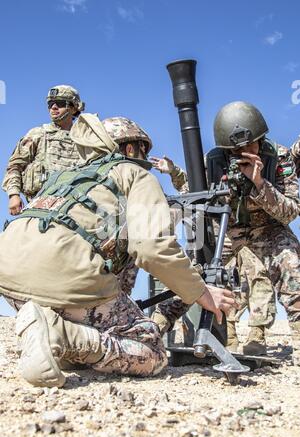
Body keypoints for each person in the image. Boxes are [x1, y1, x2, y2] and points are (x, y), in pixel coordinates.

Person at [0, 114, 236, 388]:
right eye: (142, 149)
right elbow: (151, 248)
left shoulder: (67, 177)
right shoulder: (134, 174)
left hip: (9, 278)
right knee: (152, 352)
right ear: (129, 149)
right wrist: (202, 293)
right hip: (63, 282)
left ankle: (54, 331)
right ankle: (60, 334)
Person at [151, 101, 300, 362]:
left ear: (261, 139)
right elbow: (195, 192)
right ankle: (151, 333)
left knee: (292, 265)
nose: (243, 152)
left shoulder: (279, 157)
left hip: (268, 227)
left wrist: (259, 182)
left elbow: (290, 210)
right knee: (191, 271)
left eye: (249, 145)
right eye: (236, 149)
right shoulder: (216, 160)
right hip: (226, 227)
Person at [2, 85, 86, 215]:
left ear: (74, 107)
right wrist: (13, 195)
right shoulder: (38, 134)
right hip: (39, 207)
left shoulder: (84, 139)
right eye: (50, 104)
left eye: (59, 103)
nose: (53, 107)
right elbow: (14, 166)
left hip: (74, 208)